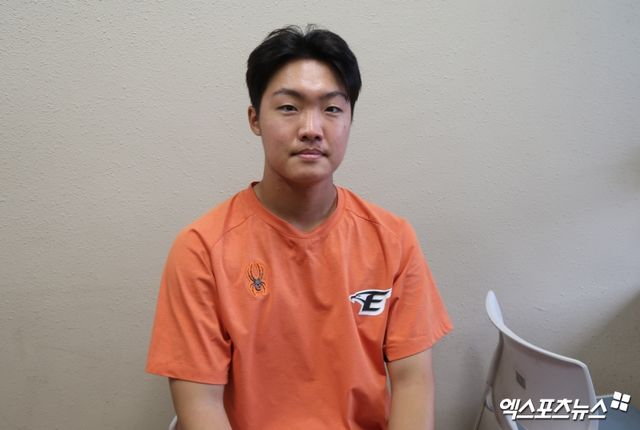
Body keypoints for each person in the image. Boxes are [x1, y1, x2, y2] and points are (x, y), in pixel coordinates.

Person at [146, 25, 453, 430]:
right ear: (255, 119)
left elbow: (413, 382)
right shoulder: (201, 249)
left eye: (332, 109)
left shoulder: (393, 240)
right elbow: (200, 404)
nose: (312, 128)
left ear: (350, 119)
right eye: (289, 107)